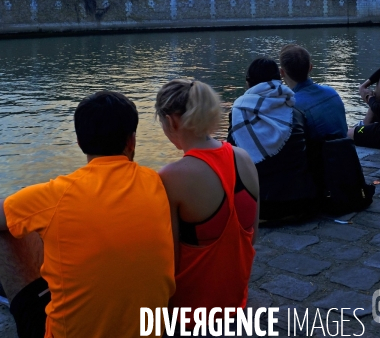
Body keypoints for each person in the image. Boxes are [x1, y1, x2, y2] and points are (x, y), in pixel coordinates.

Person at [0, 90, 175, 338]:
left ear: (80, 143)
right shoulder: (154, 181)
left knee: (13, 228)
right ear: (132, 141)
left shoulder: (54, 195)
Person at [156, 79, 258, 334]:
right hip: (234, 302)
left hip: (190, 314)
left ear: (172, 121)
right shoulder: (243, 157)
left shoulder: (171, 177)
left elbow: (168, 263)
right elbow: (252, 235)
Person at [228, 57, 317, 224]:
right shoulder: (295, 110)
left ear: (249, 83)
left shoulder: (239, 111)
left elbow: (232, 157)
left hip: (262, 207)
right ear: (279, 80)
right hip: (301, 202)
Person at [279, 44, 348, 141]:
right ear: (310, 67)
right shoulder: (332, 92)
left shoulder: (291, 107)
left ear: (282, 72)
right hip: (346, 152)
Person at [350, 39, 380, 150]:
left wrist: (369, 97)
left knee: (348, 133)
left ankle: (363, 128)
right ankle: (365, 125)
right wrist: (364, 85)